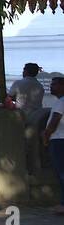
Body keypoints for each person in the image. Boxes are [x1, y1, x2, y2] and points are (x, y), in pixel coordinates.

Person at [42, 77, 64, 215]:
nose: (51, 87)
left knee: (61, 173)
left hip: (59, 140)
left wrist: (46, 135)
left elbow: (55, 119)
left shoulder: (61, 102)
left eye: (54, 84)